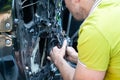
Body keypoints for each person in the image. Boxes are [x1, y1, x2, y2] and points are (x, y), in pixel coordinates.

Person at [48, 0, 120, 80]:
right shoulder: (114, 4)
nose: (66, 7)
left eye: (65, 2)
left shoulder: (94, 29)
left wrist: (58, 60)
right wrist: (78, 58)